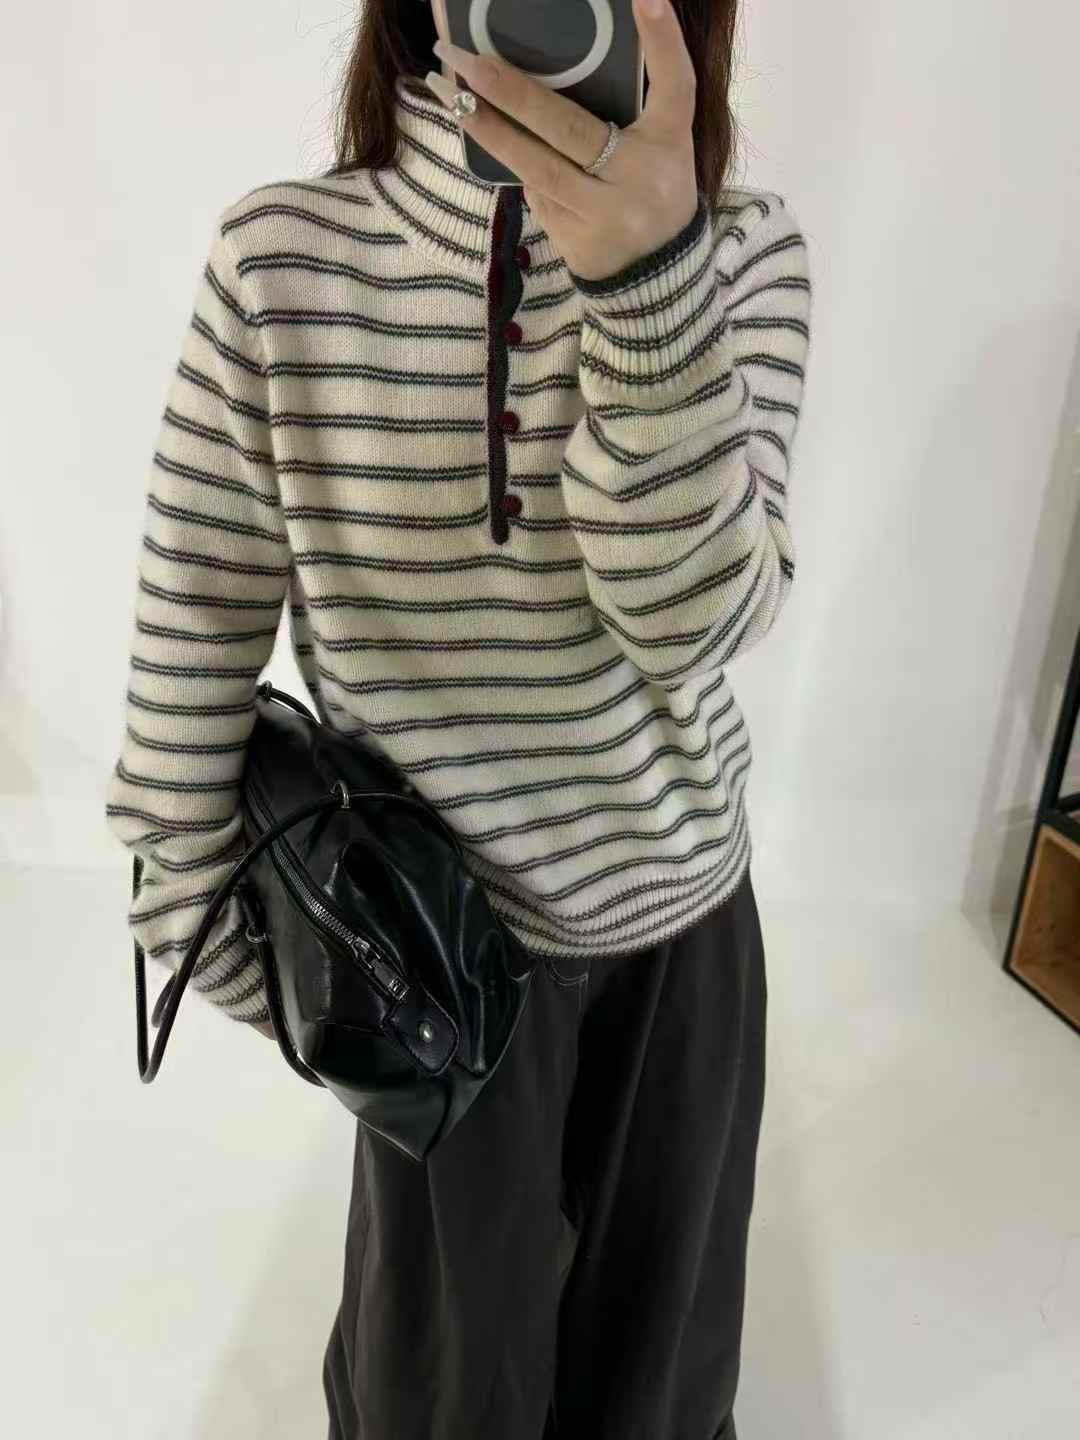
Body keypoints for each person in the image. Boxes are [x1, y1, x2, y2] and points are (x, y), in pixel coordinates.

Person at [103, 0, 812, 1434]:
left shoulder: (743, 251)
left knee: (657, 1389)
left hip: (684, 941)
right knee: (439, 1399)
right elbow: (191, 640)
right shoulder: (283, 263)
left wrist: (649, 290)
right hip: (434, 964)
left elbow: (695, 625)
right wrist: (287, 978)